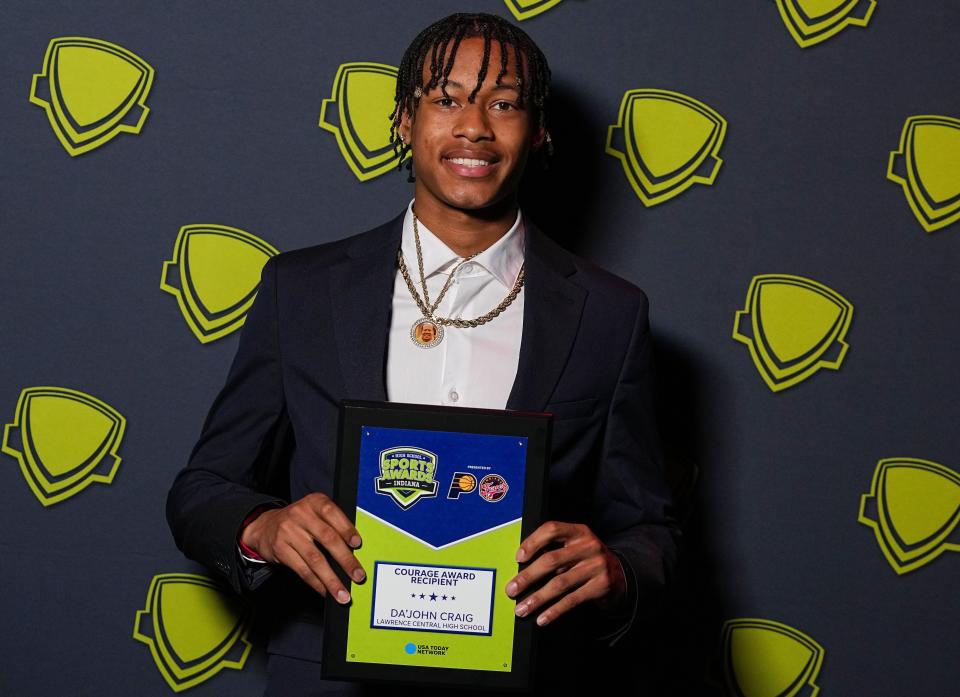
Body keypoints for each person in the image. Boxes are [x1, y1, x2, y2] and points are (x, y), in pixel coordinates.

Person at [167, 12, 678, 696]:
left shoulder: (610, 314)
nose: (474, 125)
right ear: (405, 122)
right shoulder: (303, 290)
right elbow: (201, 490)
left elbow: (650, 525)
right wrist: (265, 524)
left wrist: (618, 570)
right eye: (446, 99)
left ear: (540, 132)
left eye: (504, 103)